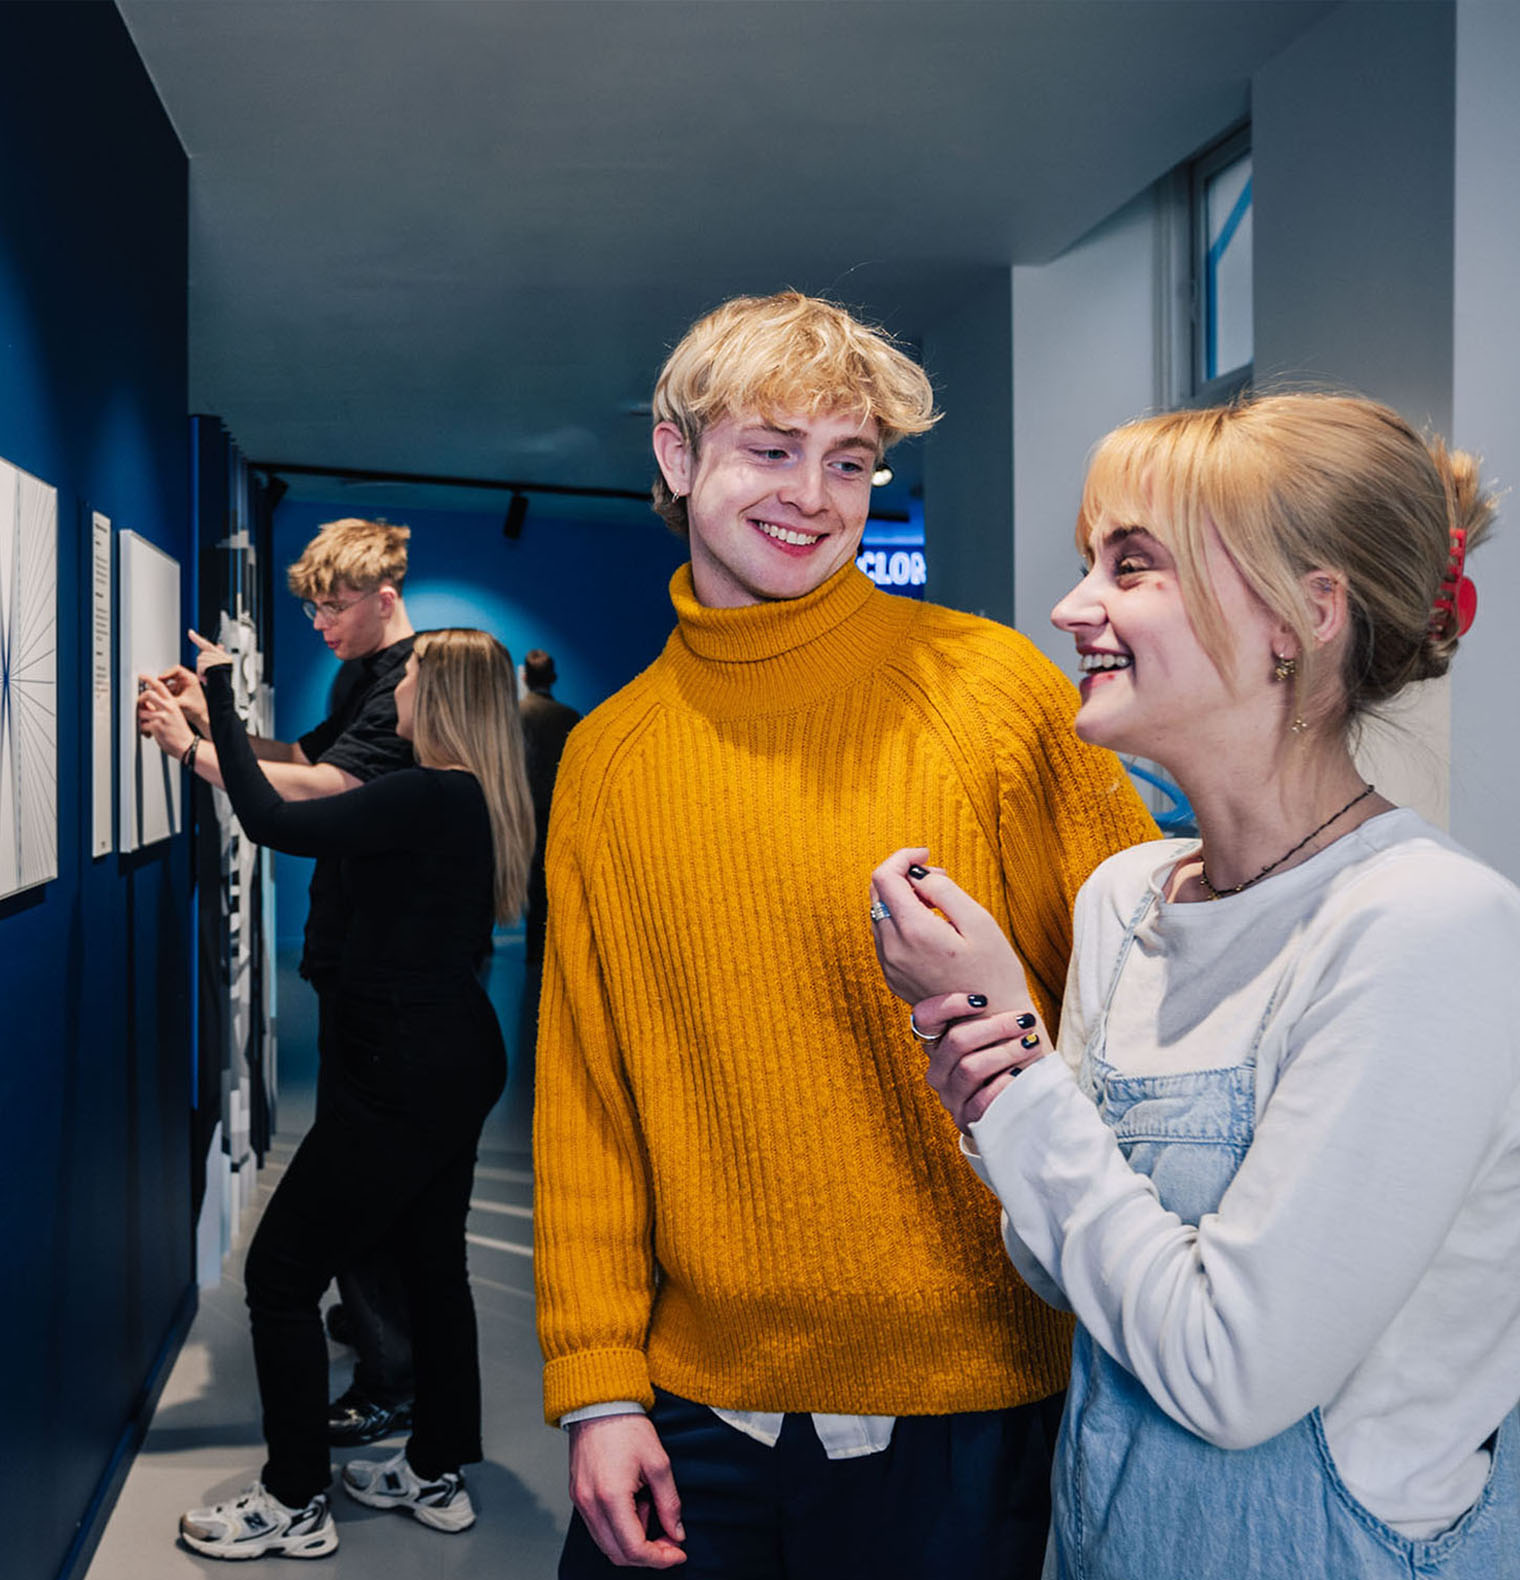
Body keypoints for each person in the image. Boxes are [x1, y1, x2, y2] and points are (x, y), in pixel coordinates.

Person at [532, 291, 1158, 1577]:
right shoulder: (607, 759)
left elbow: (1135, 1012)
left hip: (971, 1390)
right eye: (772, 448)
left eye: (853, 460)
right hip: (697, 1396)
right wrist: (595, 1382)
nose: (813, 495)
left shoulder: (994, 693)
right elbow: (590, 1086)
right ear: (677, 454)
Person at [871, 393, 1519, 1577]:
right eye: (1088, 564)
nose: (1072, 607)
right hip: (1112, 1538)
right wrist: (986, 1062)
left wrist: (1015, 1070)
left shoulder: (1428, 926)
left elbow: (1233, 1374)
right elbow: (1063, 1264)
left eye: (1132, 565)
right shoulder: (1127, 896)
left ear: (1301, 616)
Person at [170, 627, 536, 1559]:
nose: (397, 689)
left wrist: (214, 703)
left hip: (398, 1070)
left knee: (279, 1276)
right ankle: (435, 1466)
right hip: (457, 1057)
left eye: (410, 676)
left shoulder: (424, 793)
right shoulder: (475, 798)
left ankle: (293, 1498)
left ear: (442, 695)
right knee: (431, 1264)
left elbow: (274, 824)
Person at [140, 517, 423, 1447]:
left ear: (383, 600)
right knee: (367, 1181)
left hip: (385, 975)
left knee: (362, 1186)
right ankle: (383, 1334)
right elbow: (300, 758)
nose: (316, 624)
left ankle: (393, 1376)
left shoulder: (400, 692)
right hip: (357, 961)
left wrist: (190, 746)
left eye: (331, 607)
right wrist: (212, 722)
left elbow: (316, 794)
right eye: (310, 607)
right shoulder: (366, 678)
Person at [515, 650, 580, 1052]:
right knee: (543, 881)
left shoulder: (513, 716)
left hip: (516, 807)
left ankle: (485, 945)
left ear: (525, 677)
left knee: (505, 874)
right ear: (553, 677)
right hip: (554, 807)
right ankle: (537, 953)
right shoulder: (568, 718)